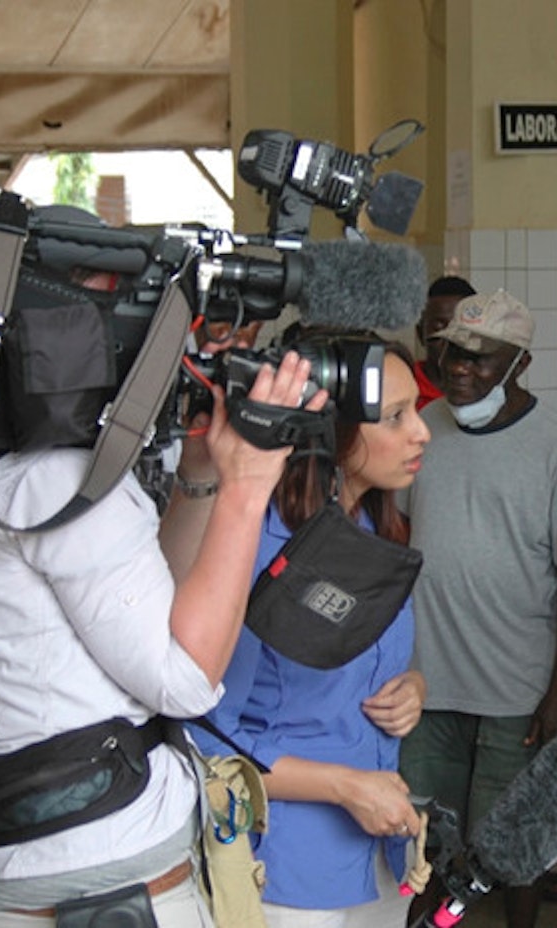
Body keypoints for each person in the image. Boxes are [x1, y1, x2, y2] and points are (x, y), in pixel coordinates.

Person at [0, 340, 327, 925]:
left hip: (40, 854)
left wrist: (201, 475)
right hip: (97, 879)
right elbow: (184, 680)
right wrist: (247, 489)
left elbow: (149, 618)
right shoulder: (57, 479)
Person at [191, 340, 429, 928]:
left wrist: (412, 687)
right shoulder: (255, 550)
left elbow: (363, 664)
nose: (421, 432)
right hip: (285, 868)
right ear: (330, 428)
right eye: (395, 417)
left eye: (417, 410)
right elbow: (203, 735)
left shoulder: (373, 526)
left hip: (379, 851)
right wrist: (343, 787)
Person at [400, 288, 557, 928]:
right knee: (421, 831)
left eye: (481, 360)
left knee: (515, 837)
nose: (460, 370)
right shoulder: (421, 431)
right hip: (426, 678)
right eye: (451, 355)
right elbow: (397, 538)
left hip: (515, 684)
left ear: (520, 364)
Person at [413, 276, 475, 409]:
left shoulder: (489, 390)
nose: (451, 338)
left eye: (461, 328)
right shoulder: (403, 387)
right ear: (420, 333)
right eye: (439, 328)